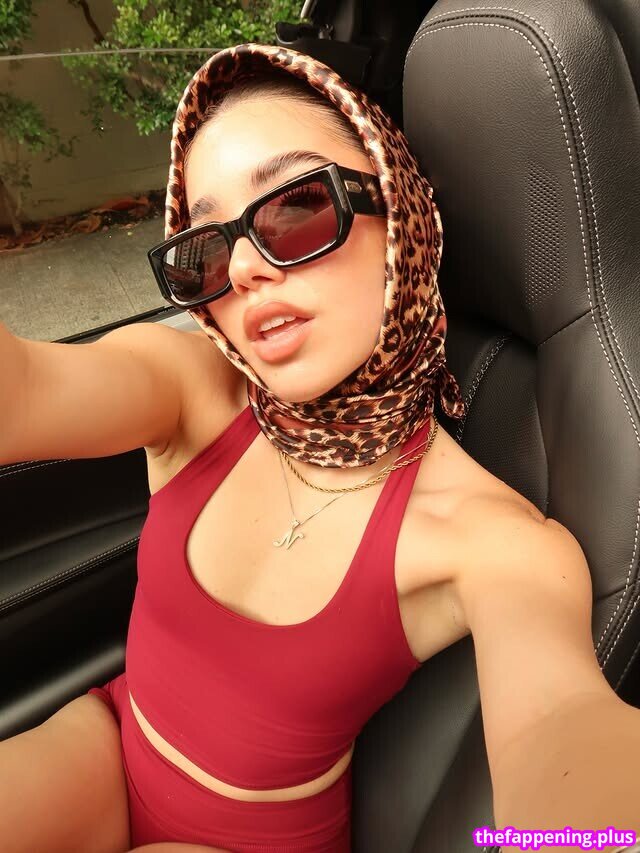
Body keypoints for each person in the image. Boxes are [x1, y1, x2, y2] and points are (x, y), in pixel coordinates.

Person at [0, 42, 639, 853]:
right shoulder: (195, 389)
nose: (241, 268)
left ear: (402, 215)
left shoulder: (492, 541)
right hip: (107, 739)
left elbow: (562, 736)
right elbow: (22, 391)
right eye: (204, 248)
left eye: (295, 207)